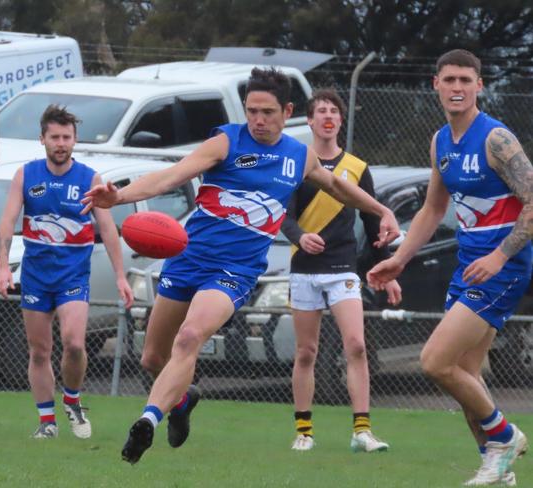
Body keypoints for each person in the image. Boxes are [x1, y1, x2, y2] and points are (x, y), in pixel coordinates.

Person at [80, 67, 400, 465]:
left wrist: (381, 208)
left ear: (286, 111)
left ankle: (148, 419)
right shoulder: (226, 141)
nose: (258, 120)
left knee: (190, 337)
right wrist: (120, 195)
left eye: (267, 112)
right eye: (252, 111)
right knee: (151, 358)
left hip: (235, 270)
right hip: (189, 257)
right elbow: (171, 176)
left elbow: (337, 186)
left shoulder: (299, 156)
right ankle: (180, 404)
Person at [367, 49, 532, 486]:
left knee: (435, 362)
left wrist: (499, 256)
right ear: (435, 85)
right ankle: (497, 469)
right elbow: (432, 207)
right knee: (466, 376)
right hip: (469, 267)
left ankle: (505, 436)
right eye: (449, 80)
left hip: (504, 267)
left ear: (479, 86)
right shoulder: (441, 140)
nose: (457, 87)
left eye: (465, 80)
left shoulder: (497, 139)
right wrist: (399, 260)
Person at [0, 104, 134, 439]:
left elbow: (108, 230)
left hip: (73, 276)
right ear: (42, 139)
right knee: (39, 350)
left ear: (75, 140)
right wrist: (2, 267)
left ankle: (72, 400)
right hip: (36, 276)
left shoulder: (89, 179)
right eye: (54, 137)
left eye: (66, 137)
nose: (61, 143)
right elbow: (8, 222)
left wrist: (119, 276)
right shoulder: (26, 175)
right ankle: (47, 423)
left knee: (73, 343)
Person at [281, 89, 401, 453]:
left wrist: (389, 270)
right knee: (306, 352)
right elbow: (283, 218)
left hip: (342, 269)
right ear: (311, 119)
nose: (328, 116)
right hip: (304, 270)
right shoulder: (297, 163)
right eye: (321, 110)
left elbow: (373, 221)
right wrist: (301, 238)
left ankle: (362, 431)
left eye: (334, 110)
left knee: (356, 345)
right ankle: (304, 431)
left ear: (340, 120)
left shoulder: (358, 168)